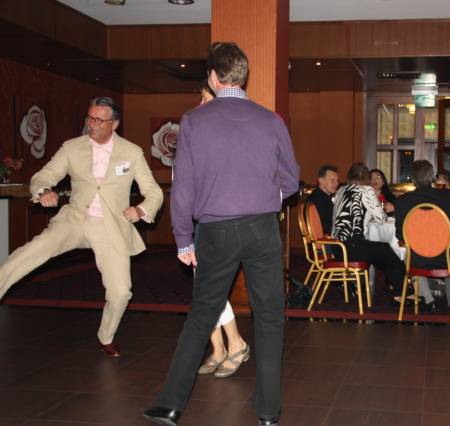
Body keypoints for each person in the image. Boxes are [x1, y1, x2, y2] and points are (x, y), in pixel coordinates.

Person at [144, 42, 299, 426]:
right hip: (262, 228)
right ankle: (268, 411)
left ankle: (170, 406)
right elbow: (292, 180)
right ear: (242, 76)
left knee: (202, 315)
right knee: (270, 317)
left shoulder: (194, 121)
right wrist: (266, 200)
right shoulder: (271, 120)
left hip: (215, 229)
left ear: (213, 77)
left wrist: (183, 238)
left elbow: (183, 187)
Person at [0, 96, 163, 357]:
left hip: (110, 226)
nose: (92, 124)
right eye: (90, 118)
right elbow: (44, 175)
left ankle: (105, 337)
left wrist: (141, 210)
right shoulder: (71, 148)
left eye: (99, 120)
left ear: (114, 124)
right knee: (33, 250)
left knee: (121, 292)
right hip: (75, 219)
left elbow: (154, 193)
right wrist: (43, 191)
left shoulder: (131, 153)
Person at [193, 77, 249, 379]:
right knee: (202, 286)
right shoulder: (200, 130)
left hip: (222, 218)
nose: (200, 104)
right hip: (202, 215)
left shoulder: (226, 133)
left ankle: (236, 343)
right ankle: (218, 348)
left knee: (208, 286)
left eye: (205, 98)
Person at [395, 160, 450, 311]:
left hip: (419, 258)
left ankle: (429, 300)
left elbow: (400, 235)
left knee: (408, 257)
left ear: (412, 179)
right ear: (432, 177)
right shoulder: (449, 196)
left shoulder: (403, 201)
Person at [332, 162, 406, 303]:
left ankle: (393, 288)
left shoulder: (341, 190)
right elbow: (381, 219)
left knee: (383, 253)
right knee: (388, 251)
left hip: (337, 248)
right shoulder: (366, 191)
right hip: (353, 247)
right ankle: (401, 293)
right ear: (366, 178)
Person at [306, 164, 339, 234]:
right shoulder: (319, 200)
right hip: (326, 239)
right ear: (321, 181)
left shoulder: (320, 196)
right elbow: (328, 228)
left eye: (337, 180)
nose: (336, 183)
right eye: (332, 180)